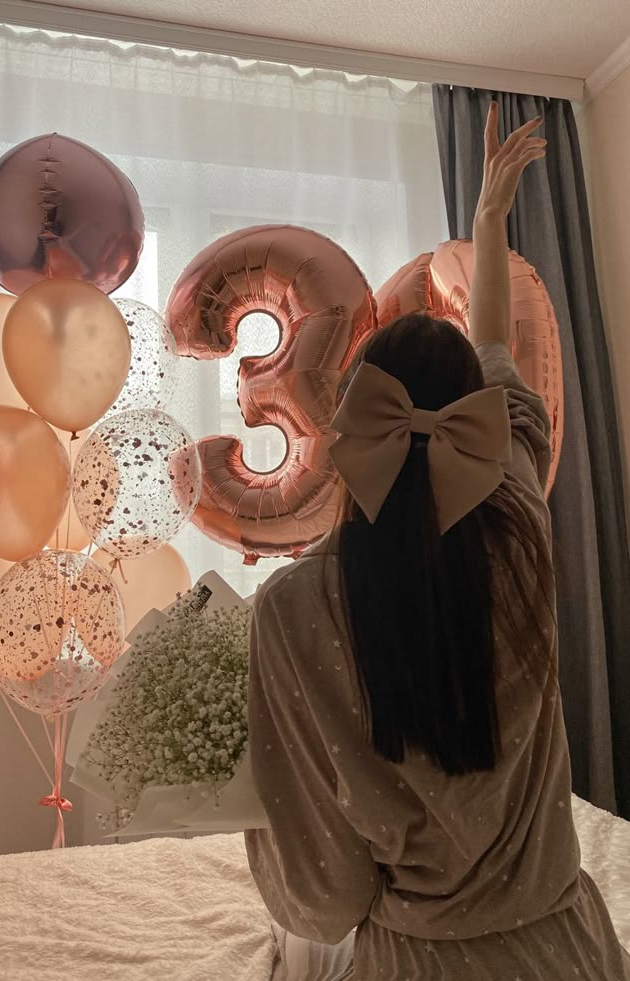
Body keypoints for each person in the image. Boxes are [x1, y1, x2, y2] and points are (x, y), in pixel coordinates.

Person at [244, 103, 630, 980]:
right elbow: (498, 349)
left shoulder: (293, 609)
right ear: (480, 430)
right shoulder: (522, 527)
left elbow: (324, 891)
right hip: (567, 950)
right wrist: (490, 225)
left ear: (351, 423)